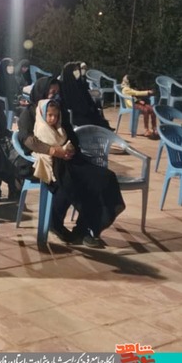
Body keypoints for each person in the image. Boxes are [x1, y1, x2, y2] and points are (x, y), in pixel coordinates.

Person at [18, 77, 126, 248]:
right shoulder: (29, 113)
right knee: (71, 183)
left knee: (104, 178)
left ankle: (86, 228)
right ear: (41, 91)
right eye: (51, 92)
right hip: (46, 162)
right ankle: (56, 224)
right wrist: (54, 151)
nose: (55, 95)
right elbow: (28, 139)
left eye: (57, 92)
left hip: (69, 158)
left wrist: (71, 149)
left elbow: (71, 135)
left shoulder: (59, 109)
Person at [32, 99, 75, 184]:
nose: (53, 118)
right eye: (50, 115)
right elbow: (52, 146)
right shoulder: (42, 129)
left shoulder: (57, 128)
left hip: (64, 160)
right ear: (43, 113)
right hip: (56, 163)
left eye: (56, 116)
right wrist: (63, 152)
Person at [61, 61, 112, 129]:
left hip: (86, 113)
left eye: (77, 69)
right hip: (75, 116)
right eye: (75, 70)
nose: (77, 72)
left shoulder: (80, 84)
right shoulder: (63, 87)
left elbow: (87, 98)